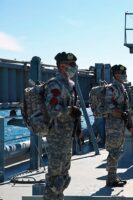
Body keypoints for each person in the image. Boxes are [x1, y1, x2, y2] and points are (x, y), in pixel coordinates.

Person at [43, 52, 82, 200]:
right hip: (57, 136)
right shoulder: (55, 85)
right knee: (54, 176)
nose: (74, 67)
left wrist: (78, 130)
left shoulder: (68, 84)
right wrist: (70, 110)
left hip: (66, 136)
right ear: (62, 66)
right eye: (71, 65)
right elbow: (53, 110)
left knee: (64, 176)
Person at [104, 64, 133, 187]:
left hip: (121, 124)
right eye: (122, 73)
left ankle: (113, 175)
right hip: (113, 125)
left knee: (117, 150)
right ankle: (111, 179)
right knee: (113, 151)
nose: (124, 75)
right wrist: (122, 114)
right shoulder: (111, 89)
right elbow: (109, 107)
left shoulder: (122, 88)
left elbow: (126, 108)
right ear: (116, 74)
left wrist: (129, 124)